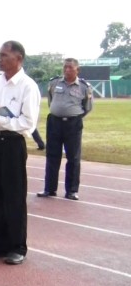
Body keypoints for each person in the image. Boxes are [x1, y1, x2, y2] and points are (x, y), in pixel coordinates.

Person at [0, 40, 41, 266]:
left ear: (18, 58)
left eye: (4, 55)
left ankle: (17, 246)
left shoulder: (27, 86)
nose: (0, 59)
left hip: (13, 143)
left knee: (14, 195)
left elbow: (28, 123)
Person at [37, 58, 93, 201]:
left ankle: (72, 191)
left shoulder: (84, 87)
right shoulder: (54, 82)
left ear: (77, 70)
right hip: (54, 122)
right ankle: (49, 189)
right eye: (65, 67)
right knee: (52, 156)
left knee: (73, 157)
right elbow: (50, 100)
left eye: (70, 68)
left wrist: (73, 115)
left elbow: (87, 107)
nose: (67, 70)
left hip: (73, 124)